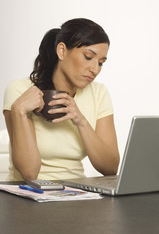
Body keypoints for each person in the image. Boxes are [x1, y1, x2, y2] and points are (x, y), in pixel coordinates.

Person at [3, 18, 120, 181]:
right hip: (28, 193)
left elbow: (111, 167)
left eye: (101, 63)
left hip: (77, 192)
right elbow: (29, 173)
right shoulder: (20, 90)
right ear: (62, 51)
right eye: (88, 57)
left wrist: (81, 121)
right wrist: (19, 111)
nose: (94, 69)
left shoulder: (98, 93)